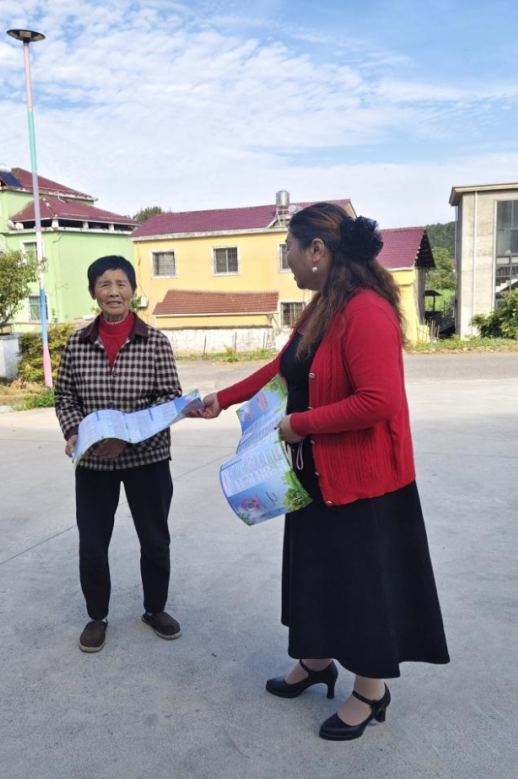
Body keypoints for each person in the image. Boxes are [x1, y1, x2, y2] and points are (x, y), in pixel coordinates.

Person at [191, 203, 449, 741]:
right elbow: (282, 368)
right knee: (315, 574)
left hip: (363, 483)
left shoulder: (366, 310)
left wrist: (299, 424)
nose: (285, 258)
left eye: (288, 247)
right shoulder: (322, 307)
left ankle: (371, 691)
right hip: (315, 475)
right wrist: (224, 397)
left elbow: (378, 401)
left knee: (361, 586)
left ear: (317, 250)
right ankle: (315, 661)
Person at [55, 255, 183, 653]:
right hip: (95, 461)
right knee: (92, 543)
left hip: (147, 459)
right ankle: (97, 616)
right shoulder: (77, 344)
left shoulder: (155, 342)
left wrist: (127, 437)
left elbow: (170, 399)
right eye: (104, 284)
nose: (113, 292)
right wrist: (74, 432)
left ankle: (155, 609)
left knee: (155, 540)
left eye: (121, 283)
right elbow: (65, 396)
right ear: (93, 292)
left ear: (132, 290)